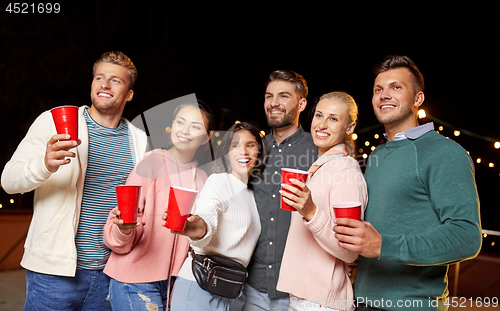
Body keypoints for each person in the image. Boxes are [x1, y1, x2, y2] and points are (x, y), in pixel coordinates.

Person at [1, 51, 148, 310]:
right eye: (99, 77)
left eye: (115, 80)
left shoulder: (139, 140)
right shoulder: (53, 122)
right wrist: (44, 165)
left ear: (129, 94)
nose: (104, 84)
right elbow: (9, 181)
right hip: (53, 274)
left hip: (110, 273)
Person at [333, 55, 482, 311]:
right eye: (378, 89)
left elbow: (467, 236)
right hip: (360, 302)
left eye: (396, 87)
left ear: (418, 99)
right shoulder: (378, 155)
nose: (384, 95)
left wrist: (383, 245)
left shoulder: (444, 152)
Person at [102, 100, 215, 310]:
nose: (186, 131)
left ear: (206, 138)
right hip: (133, 280)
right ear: (172, 126)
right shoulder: (149, 165)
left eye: (196, 126)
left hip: (175, 285)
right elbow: (115, 229)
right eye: (181, 122)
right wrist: (123, 230)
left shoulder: (203, 180)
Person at [277, 91, 368, 311]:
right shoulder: (321, 167)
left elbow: (349, 250)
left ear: (349, 128)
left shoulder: (345, 171)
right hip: (305, 297)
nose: (322, 124)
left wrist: (310, 211)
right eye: (319, 115)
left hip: (322, 303)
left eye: (333, 118)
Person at [170, 122, 267, 311]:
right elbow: (207, 212)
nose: (243, 151)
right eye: (235, 145)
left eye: (250, 145)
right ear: (227, 152)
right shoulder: (219, 181)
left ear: (259, 150)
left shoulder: (252, 195)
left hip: (229, 291)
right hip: (199, 286)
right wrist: (198, 227)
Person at [244, 70, 318, 311]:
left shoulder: (318, 150)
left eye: (283, 96)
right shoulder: (253, 151)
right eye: (269, 96)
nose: (274, 103)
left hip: (299, 290)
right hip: (252, 287)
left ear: (302, 103)